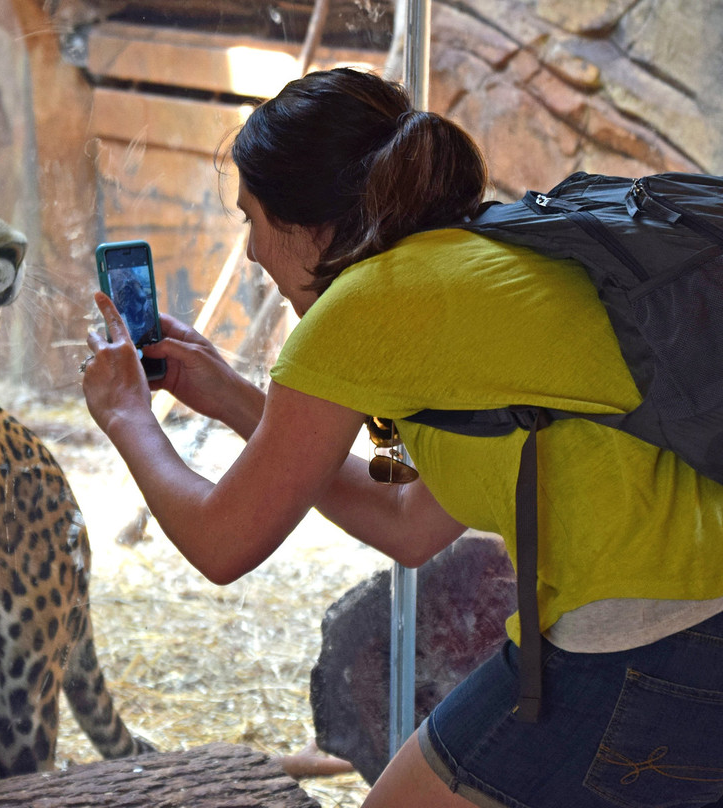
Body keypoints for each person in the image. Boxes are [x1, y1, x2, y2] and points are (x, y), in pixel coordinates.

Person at [79, 67, 723, 807]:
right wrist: (234, 399)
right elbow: (409, 521)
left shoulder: (364, 307)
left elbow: (221, 543)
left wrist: (128, 417)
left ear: (307, 221)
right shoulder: (463, 259)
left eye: (251, 217)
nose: (251, 252)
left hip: (647, 636)